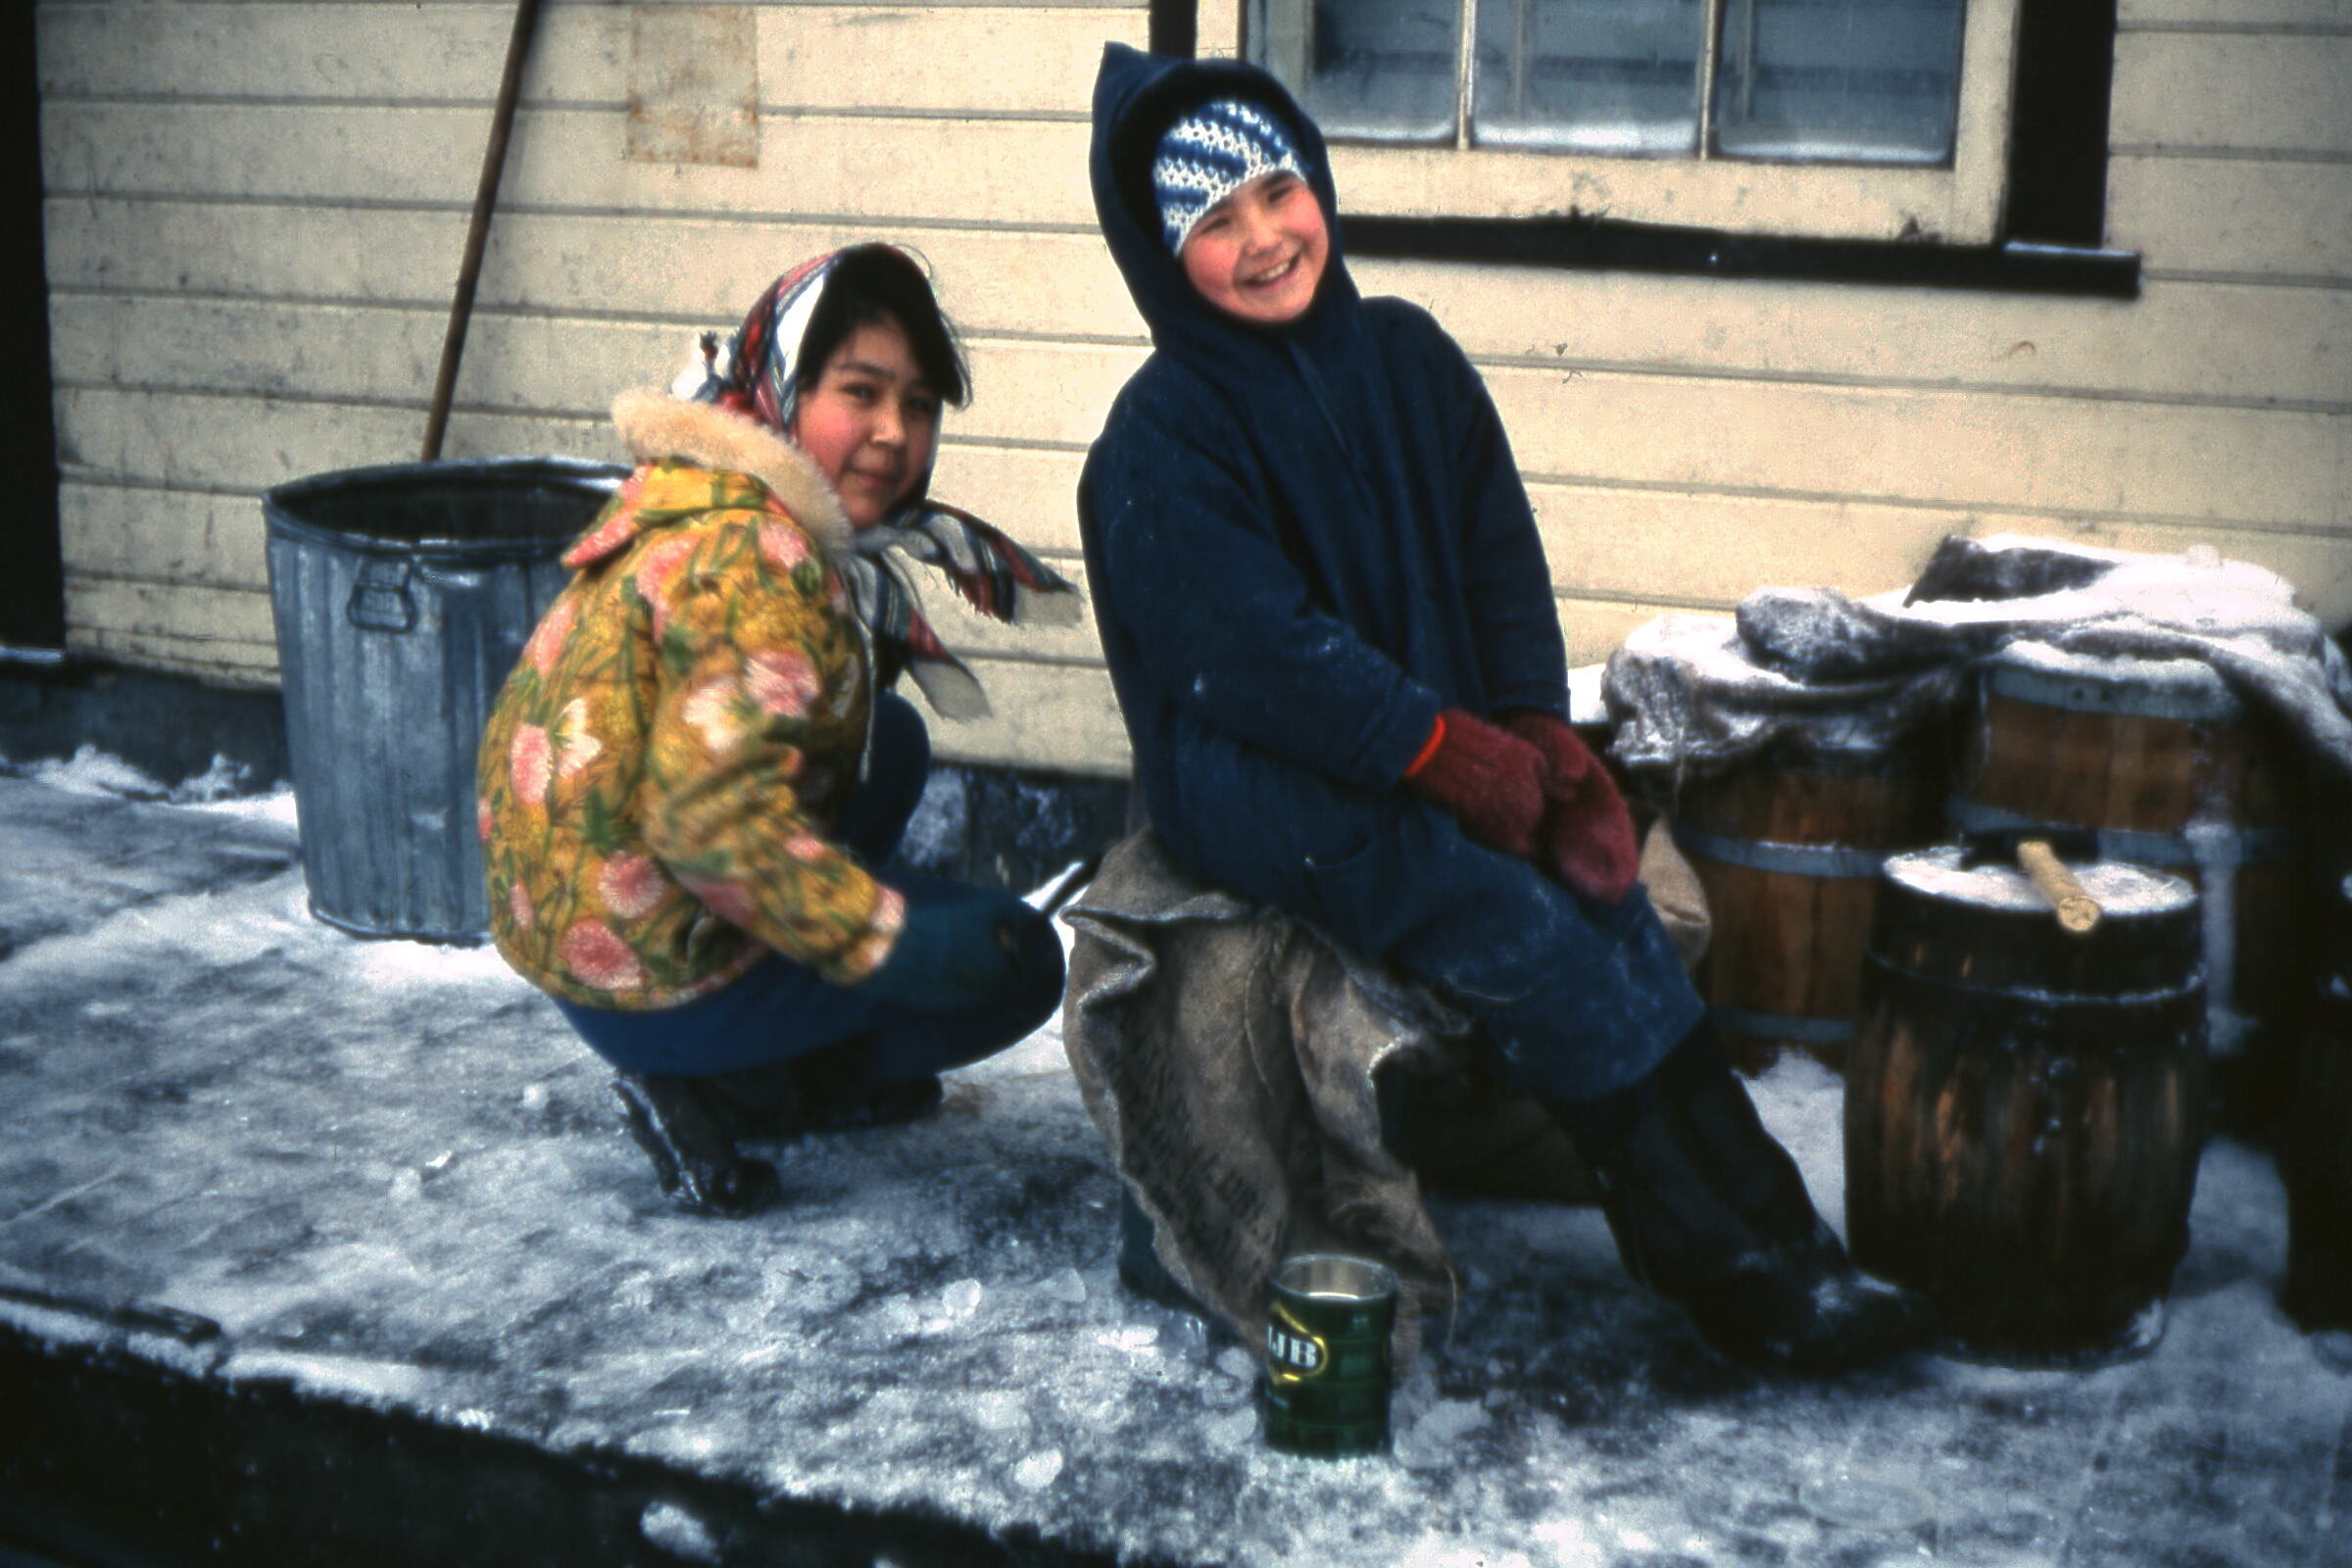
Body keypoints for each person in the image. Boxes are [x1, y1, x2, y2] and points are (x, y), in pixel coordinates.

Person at [1077, 46, 1927, 1369]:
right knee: (1512, 920)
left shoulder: (1408, 358)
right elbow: (1258, 658)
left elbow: (1496, 558)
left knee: (1611, 903)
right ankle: (1731, 1277)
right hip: (1261, 783)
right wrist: (1440, 755)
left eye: (1273, 191)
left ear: (1315, 178)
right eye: (1210, 223)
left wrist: (1532, 730)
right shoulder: (1161, 434)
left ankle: (1786, 1242)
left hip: (1434, 740)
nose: (1260, 241)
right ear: (1155, 254)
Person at [478, 244, 1077, 1216]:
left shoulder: (705, 495)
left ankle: (746, 1051)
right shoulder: (761, 564)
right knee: (1014, 960)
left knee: (892, 740)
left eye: (919, 405)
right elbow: (707, 827)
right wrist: (888, 941)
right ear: (783, 392)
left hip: (575, 918)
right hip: (643, 970)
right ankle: (747, 1081)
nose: (894, 432)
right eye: (861, 392)